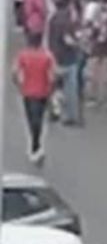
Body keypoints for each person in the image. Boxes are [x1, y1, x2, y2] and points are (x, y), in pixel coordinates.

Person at [15, 32, 55, 165]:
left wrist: (19, 85)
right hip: (43, 92)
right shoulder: (47, 56)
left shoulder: (23, 55)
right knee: (39, 119)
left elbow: (15, 72)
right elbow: (53, 75)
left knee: (31, 119)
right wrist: (51, 88)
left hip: (27, 92)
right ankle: (36, 145)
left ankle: (35, 146)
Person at [48, 0, 82, 126]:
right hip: (67, 58)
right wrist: (78, 44)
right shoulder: (67, 20)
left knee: (54, 87)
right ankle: (70, 116)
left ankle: (54, 111)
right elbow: (67, 39)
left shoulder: (53, 18)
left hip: (54, 56)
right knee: (70, 89)